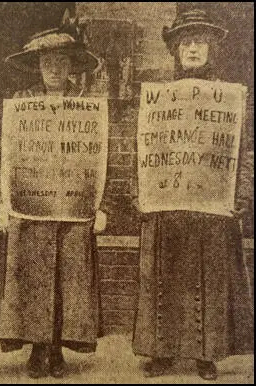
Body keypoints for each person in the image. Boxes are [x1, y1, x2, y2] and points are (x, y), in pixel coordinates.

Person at [132, 9, 254, 380]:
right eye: (186, 43)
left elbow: (244, 151)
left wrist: (242, 195)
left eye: (200, 42)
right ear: (175, 51)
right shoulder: (158, 96)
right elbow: (143, 147)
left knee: (209, 278)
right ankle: (161, 353)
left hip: (210, 204)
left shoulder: (230, 98)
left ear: (212, 49)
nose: (193, 49)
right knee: (162, 280)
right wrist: (139, 191)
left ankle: (207, 355)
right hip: (167, 202)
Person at [0, 12, 111, 379]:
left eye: (62, 62)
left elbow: (101, 156)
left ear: (72, 67)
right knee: (34, 280)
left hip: (73, 211)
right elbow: (5, 154)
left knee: (66, 281)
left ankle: (57, 351)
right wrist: (0, 200)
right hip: (31, 209)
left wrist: (101, 206)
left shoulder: (88, 105)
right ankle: (37, 351)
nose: (54, 69)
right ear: (38, 67)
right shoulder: (20, 103)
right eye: (47, 62)